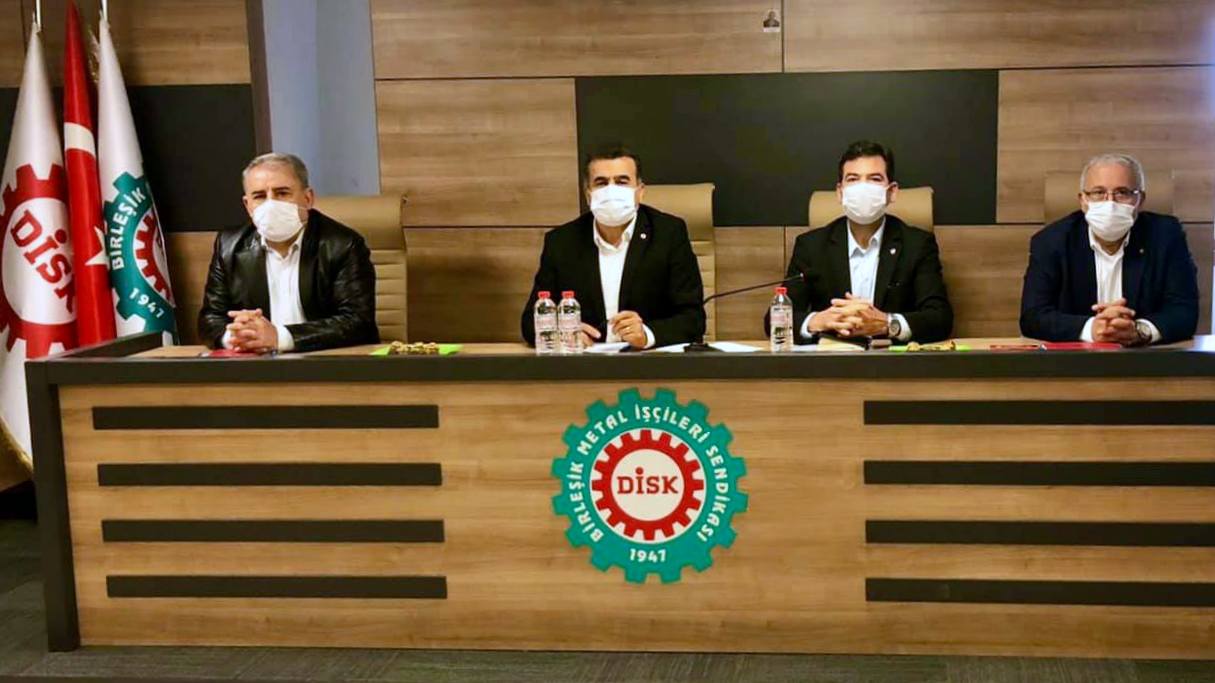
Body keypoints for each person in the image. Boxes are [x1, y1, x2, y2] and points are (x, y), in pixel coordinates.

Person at [520, 147, 705, 350]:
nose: (611, 191)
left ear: (640, 191)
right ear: (588, 194)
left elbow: (693, 318)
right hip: (586, 361)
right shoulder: (562, 242)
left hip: (648, 360)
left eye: (621, 182)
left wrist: (647, 334)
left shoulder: (668, 234)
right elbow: (531, 320)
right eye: (601, 183)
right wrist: (563, 334)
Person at [198, 153, 378, 353]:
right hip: (255, 362)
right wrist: (237, 336)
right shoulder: (229, 246)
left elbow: (357, 321)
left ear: (308, 199)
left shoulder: (343, 244)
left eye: (282, 193)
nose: (271, 204)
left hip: (324, 361)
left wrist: (280, 337)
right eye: (259, 196)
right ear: (247, 205)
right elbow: (210, 318)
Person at [775, 140, 952, 344]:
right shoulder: (811, 246)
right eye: (853, 179)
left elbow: (940, 318)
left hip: (891, 360)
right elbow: (775, 317)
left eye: (874, 179)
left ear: (892, 191)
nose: (863, 187)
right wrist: (817, 321)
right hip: (831, 358)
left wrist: (888, 324)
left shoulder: (917, 245)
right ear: (840, 192)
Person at [1019, 153, 1198, 345]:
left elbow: (1184, 311)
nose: (1110, 203)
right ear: (1083, 201)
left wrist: (1139, 330)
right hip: (1075, 359)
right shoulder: (1051, 242)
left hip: (1145, 358)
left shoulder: (1166, 236)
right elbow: (1033, 316)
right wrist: (1092, 329)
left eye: (1122, 192)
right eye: (1098, 193)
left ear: (1140, 200)